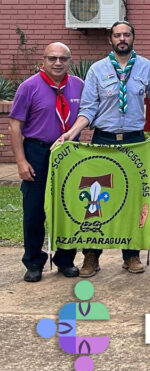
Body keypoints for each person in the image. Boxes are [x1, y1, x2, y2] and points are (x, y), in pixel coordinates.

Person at [57, 21, 150, 277]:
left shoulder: (147, 68)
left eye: (126, 34)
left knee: (132, 199)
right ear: (110, 40)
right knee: (96, 198)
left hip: (134, 141)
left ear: (133, 38)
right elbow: (89, 109)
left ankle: (131, 254)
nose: (122, 38)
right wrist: (72, 132)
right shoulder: (97, 70)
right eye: (117, 35)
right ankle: (91, 255)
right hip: (103, 140)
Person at [9, 42, 83, 282]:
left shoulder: (79, 86)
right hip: (37, 151)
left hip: (69, 153)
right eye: (52, 58)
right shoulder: (28, 87)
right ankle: (33, 261)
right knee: (34, 210)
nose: (58, 63)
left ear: (69, 61)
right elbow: (15, 125)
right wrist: (21, 161)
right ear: (44, 59)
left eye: (63, 58)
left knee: (68, 208)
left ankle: (65, 259)